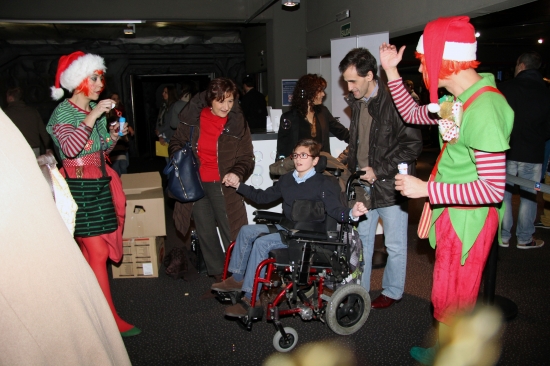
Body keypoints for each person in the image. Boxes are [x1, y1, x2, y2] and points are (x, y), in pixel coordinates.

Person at [379, 15, 513, 364]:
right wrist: (392, 71)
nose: (424, 72)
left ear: (442, 60)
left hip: (468, 219)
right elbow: (411, 113)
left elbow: (492, 189)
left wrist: (427, 189)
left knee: (458, 296)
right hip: (452, 214)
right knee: (447, 291)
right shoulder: (458, 100)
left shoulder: (484, 107)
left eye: (424, 63)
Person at [212, 139, 368, 317]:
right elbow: (262, 198)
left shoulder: (325, 183)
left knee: (261, 244)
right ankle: (237, 279)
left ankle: (250, 299)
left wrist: (352, 213)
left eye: (304, 155)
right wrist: (239, 185)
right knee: (246, 230)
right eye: (295, 155)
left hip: (307, 235)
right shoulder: (287, 179)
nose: (298, 159)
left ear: (315, 160)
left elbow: (335, 210)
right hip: (286, 227)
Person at [46, 51, 140, 337]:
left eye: (101, 77)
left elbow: (100, 152)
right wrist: (95, 113)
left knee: (91, 255)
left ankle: (89, 314)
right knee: (97, 253)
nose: (101, 83)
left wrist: (113, 135)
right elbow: (71, 150)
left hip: (98, 186)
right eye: (94, 77)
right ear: (77, 81)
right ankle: (109, 320)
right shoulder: (63, 112)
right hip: (79, 189)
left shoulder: (92, 110)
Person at [338, 48, 423, 309]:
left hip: (391, 185)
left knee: (395, 244)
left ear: (371, 76)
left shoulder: (397, 100)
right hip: (363, 186)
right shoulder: (358, 102)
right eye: (346, 81)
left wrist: (379, 169)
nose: (348, 87)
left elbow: (412, 146)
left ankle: (393, 291)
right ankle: (359, 290)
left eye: (353, 81)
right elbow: (360, 142)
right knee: (360, 242)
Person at [169, 77, 254, 278]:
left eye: (230, 101)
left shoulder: (237, 123)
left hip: (223, 185)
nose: (226, 106)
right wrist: (180, 158)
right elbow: (176, 141)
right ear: (210, 100)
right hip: (196, 184)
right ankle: (219, 278)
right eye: (221, 101)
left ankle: (238, 278)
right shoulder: (193, 119)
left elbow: (246, 157)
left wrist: (237, 172)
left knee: (232, 233)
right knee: (206, 234)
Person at [500, 52, 550, 249]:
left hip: (506, 150)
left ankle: (502, 236)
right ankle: (524, 238)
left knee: (503, 193)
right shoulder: (546, 93)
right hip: (533, 151)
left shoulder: (505, 88)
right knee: (530, 195)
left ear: (520, 65)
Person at [277, 74, 349, 159]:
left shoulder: (323, 112)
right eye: (320, 91)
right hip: (298, 167)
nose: (323, 94)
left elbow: (341, 132)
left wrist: (359, 140)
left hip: (321, 167)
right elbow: (281, 149)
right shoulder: (289, 117)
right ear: (310, 92)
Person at [4, 87, 51, 157]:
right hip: (34, 149)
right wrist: (48, 147)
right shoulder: (33, 111)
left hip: (14, 149)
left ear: (10, 98)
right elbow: (43, 131)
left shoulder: (5, 114)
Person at [107, 92, 133, 176]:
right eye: (114, 99)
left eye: (117, 99)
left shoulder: (122, 111)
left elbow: (125, 123)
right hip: (112, 141)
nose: (116, 101)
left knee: (124, 166)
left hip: (122, 141)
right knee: (115, 168)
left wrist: (129, 127)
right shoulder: (107, 113)